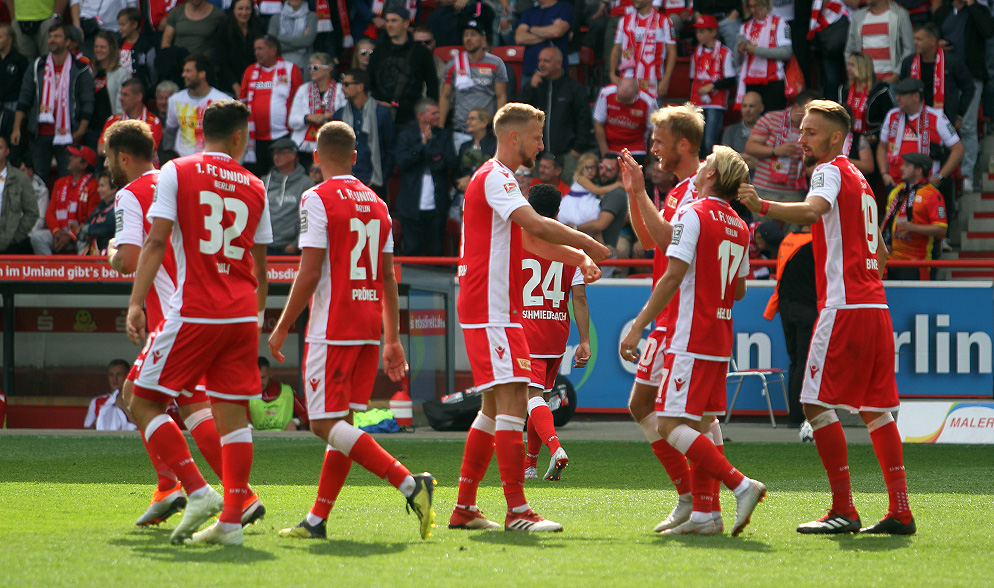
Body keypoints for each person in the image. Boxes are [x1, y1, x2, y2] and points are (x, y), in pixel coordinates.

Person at [738, 99, 916, 536]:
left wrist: (762, 205)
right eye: (800, 130)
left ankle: (843, 508)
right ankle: (900, 511)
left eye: (810, 132)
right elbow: (882, 251)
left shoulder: (829, 170)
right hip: (875, 306)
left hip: (845, 306)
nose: (800, 139)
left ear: (836, 138)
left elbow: (813, 210)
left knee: (814, 403)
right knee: (876, 410)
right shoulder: (861, 179)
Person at [268, 120, 436, 541]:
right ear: (355, 158)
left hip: (332, 326)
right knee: (341, 425)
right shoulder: (378, 204)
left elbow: (309, 272)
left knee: (322, 424)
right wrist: (392, 338)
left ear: (316, 158)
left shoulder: (316, 197)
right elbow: (388, 277)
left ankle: (410, 484)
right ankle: (317, 520)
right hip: (367, 327)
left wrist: (281, 326)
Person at [448, 102, 608, 533]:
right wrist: (586, 245)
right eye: (537, 137)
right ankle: (517, 510)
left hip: (498, 309)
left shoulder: (498, 179)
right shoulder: (497, 177)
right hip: (491, 309)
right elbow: (536, 227)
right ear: (514, 136)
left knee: (493, 407)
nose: (541, 145)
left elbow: (530, 242)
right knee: (515, 401)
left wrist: (578, 255)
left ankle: (465, 507)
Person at [125, 99, 272, 546]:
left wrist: (136, 303)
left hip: (195, 309)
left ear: (202, 131)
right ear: (240, 137)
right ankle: (231, 522)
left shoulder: (177, 170)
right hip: (242, 314)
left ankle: (197, 490)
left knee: (140, 400)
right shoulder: (255, 185)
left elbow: (155, 241)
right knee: (233, 419)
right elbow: (261, 267)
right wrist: (256, 318)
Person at [620, 145, 766, 536]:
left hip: (689, 334)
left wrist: (638, 325)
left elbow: (672, 275)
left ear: (712, 175)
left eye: (707, 163)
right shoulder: (739, 224)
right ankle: (705, 515)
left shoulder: (693, 212)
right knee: (700, 424)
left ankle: (740, 484)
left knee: (669, 423)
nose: (701, 167)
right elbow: (739, 290)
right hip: (720, 336)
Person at [621, 103, 706, 533]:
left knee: (685, 415)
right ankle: (696, 499)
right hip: (670, 314)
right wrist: (633, 192)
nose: (652, 148)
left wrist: (639, 193)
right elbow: (646, 240)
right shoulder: (677, 191)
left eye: (659, 141)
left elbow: (667, 240)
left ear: (683, 145)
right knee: (653, 407)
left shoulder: (698, 188)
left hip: (682, 314)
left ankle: (703, 499)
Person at [520, 182, 591, 481]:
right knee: (541, 398)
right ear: (558, 210)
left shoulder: (519, 240)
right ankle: (530, 465)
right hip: (556, 333)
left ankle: (555, 447)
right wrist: (584, 340)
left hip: (527, 330)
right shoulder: (572, 247)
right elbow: (579, 297)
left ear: (528, 207)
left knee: (531, 397)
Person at [12, 23, 95, 183]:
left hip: (68, 134)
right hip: (40, 134)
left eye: (57, 36)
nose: (52, 40)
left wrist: (80, 131)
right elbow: (24, 98)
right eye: (50, 36)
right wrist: (16, 128)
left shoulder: (81, 69)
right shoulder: (37, 66)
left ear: (68, 41)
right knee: (38, 180)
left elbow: (88, 102)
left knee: (67, 179)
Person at [932, 0, 994, 193]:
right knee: (942, 125)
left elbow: (988, 31)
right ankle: (943, 173)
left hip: (972, 75)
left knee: (967, 127)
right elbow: (930, 34)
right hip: (945, 75)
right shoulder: (943, 11)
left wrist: (972, 5)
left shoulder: (979, 10)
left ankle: (966, 175)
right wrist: (937, 43)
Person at [762, 225, 816, 425]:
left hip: (786, 308)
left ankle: (794, 416)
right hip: (809, 308)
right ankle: (803, 416)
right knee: (806, 363)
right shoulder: (816, 243)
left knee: (795, 363)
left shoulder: (788, 240)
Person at [877, 77, 963, 199]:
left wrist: (940, 176)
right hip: (896, 185)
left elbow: (958, 150)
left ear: (916, 96)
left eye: (902, 95)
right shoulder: (892, 115)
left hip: (925, 186)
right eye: (897, 94)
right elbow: (882, 147)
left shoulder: (937, 117)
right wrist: (884, 174)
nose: (897, 98)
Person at [394, 98, 457, 256]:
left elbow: (450, 162)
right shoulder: (407, 135)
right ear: (421, 116)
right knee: (412, 248)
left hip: (437, 204)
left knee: (436, 249)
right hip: (410, 204)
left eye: (438, 113)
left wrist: (432, 144)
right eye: (433, 113)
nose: (438, 116)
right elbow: (402, 162)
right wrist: (421, 145)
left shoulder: (443, 135)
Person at [520, 47, 595, 181]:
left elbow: (584, 121)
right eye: (540, 60)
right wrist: (530, 88)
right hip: (538, 156)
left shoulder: (574, 88)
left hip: (566, 157)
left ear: (559, 63)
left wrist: (576, 151)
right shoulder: (534, 87)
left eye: (546, 61)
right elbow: (519, 113)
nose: (541, 64)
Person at [744, 90, 820, 214]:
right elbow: (750, 147)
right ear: (796, 107)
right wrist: (775, 151)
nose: (812, 115)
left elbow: (812, 163)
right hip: (765, 190)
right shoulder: (771, 118)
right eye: (809, 110)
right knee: (765, 226)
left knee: (794, 227)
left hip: (794, 194)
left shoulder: (813, 129)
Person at [899, 24, 975, 146]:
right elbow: (901, 89)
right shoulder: (908, 63)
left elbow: (969, 88)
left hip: (944, 120)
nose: (915, 43)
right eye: (914, 39)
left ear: (933, 40)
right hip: (914, 120)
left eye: (919, 39)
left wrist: (959, 116)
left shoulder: (952, 62)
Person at [239, 35, 304, 176]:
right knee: (258, 177)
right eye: (255, 49)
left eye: (260, 48)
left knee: (282, 175)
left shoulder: (291, 69)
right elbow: (243, 101)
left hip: (283, 136)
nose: (256, 52)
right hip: (255, 140)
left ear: (273, 50)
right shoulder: (250, 71)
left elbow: (300, 100)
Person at [439, 19, 508, 146]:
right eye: (466, 35)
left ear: (483, 39)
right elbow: (445, 96)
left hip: (486, 131)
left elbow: (501, 96)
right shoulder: (454, 64)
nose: (468, 39)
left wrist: (498, 126)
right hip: (461, 130)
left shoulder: (496, 63)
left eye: (473, 35)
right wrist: (440, 127)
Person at [367, 7, 439, 127]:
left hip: (411, 118)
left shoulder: (421, 52)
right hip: (381, 116)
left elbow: (432, 85)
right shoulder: (379, 50)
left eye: (394, 20)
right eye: (387, 21)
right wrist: (378, 103)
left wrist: (430, 115)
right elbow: (370, 81)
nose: (389, 25)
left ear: (406, 24)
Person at [881, 152, 947, 280]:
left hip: (916, 263)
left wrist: (912, 227)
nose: (901, 168)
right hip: (888, 260)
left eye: (906, 165)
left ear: (918, 171)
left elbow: (942, 229)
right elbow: (886, 220)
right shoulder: (897, 191)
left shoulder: (933, 195)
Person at [332, 69, 395, 197]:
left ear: (360, 87)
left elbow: (391, 147)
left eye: (346, 84)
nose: (342, 88)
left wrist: (381, 178)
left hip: (374, 181)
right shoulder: (339, 115)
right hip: (347, 182)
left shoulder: (381, 112)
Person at [32, 145, 98, 255]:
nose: (70, 158)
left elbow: (90, 219)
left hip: (79, 235)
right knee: (37, 237)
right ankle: (48, 266)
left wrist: (71, 236)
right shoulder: (60, 183)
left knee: (85, 240)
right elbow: (50, 213)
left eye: (75, 156)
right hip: (60, 232)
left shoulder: (94, 186)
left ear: (84, 165)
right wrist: (57, 231)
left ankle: (80, 266)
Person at [162, 54, 230, 159]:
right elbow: (170, 133)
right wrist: (167, 157)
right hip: (183, 162)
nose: (183, 75)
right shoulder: (175, 100)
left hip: (211, 162)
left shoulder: (223, 101)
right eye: (184, 71)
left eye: (188, 71)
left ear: (202, 74)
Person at [575, 153, 629, 278]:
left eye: (609, 169)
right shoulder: (593, 186)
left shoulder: (615, 193)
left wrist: (573, 228)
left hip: (603, 255)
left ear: (619, 172)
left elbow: (600, 225)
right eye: (601, 167)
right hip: (588, 252)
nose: (603, 172)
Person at [690, 14, 737, 157]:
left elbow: (731, 80)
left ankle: (710, 167)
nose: (698, 35)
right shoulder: (696, 53)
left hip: (716, 102)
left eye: (702, 31)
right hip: (697, 101)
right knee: (696, 141)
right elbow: (692, 78)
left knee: (709, 141)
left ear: (713, 32)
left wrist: (712, 86)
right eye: (697, 31)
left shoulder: (725, 52)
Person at [609, 0, 676, 100]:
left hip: (654, 80)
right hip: (627, 79)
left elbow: (672, 52)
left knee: (653, 111)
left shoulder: (664, 20)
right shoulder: (624, 20)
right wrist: (612, 74)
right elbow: (616, 49)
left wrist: (666, 80)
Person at [289, 52, 346, 169]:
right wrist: (308, 117)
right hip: (305, 148)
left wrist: (331, 116)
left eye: (315, 68)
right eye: (310, 68)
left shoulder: (341, 90)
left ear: (328, 69)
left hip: (331, 145)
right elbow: (292, 121)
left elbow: (346, 116)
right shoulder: (303, 89)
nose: (311, 71)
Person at [734, 0, 792, 113]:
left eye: (756, 6)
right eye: (750, 7)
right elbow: (738, 61)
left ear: (765, 4)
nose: (753, 10)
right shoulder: (745, 27)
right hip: (750, 80)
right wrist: (739, 51)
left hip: (773, 80)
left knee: (773, 118)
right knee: (753, 119)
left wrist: (756, 50)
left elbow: (786, 53)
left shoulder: (779, 23)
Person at [263, 135, 314, 255]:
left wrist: (296, 243)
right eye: (274, 153)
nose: (276, 157)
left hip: (291, 249)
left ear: (293, 155)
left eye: (281, 153)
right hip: (265, 246)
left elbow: (310, 217)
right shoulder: (264, 182)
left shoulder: (306, 183)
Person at [844, 0, 913, 85]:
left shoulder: (900, 14)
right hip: (865, 82)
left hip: (891, 81)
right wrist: (854, 72)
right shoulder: (858, 17)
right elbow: (850, 50)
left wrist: (897, 73)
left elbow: (909, 48)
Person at [97, 79, 163, 157]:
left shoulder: (153, 122)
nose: (121, 98)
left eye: (125, 95)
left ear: (139, 97)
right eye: (121, 94)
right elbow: (101, 149)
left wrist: (116, 148)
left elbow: (147, 151)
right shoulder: (113, 120)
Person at [841, 52, 894, 148]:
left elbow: (889, 120)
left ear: (863, 67)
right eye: (848, 64)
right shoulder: (844, 90)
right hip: (849, 140)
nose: (848, 68)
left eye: (852, 65)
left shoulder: (879, 91)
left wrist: (876, 136)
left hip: (872, 142)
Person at [593, 78, 654, 161]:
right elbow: (598, 123)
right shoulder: (605, 93)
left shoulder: (649, 101)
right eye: (620, 99)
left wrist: (652, 160)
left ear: (637, 93)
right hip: (610, 147)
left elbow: (654, 130)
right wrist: (605, 155)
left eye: (628, 101)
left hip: (636, 148)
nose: (624, 104)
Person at [215, 0, 266, 98]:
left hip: (256, 81)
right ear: (233, 10)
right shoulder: (224, 28)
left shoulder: (258, 27)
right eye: (240, 9)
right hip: (230, 84)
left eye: (248, 9)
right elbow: (222, 61)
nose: (244, 12)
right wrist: (236, 86)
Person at [89, 31, 130, 148]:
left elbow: (122, 105)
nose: (98, 50)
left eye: (102, 47)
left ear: (111, 49)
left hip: (111, 131)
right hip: (91, 131)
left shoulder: (122, 73)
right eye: (96, 46)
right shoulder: (91, 72)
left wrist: (118, 129)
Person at [0, 135, 40, 254]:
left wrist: (15, 236)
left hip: (10, 243)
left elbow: (32, 212)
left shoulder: (20, 179)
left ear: (7, 151)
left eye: (0, 147)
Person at [516, 0, 574, 81]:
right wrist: (549, 33)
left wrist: (531, 29)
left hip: (555, 72)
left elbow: (557, 32)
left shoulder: (564, 8)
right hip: (529, 71)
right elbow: (519, 38)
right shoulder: (529, 12)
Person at [251, 356, 308, 431]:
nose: (260, 382)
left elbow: (307, 414)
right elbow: (240, 417)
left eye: (263, 377)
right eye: (256, 378)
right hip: (256, 438)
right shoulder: (247, 395)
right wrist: (247, 426)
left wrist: (295, 422)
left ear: (270, 373)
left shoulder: (288, 392)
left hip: (285, 438)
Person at [267, 0, 319, 78]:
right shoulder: (275, 18)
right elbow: (272, 45)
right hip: (280, 67)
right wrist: (300, 40)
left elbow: (307, 41)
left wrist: (280, 37)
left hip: (303, 66)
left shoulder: (312, 17)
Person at [0, 24, 29, 159]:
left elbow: (25, 87)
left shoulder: (20, 60)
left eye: (0, 37)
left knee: (14, 142)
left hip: (14, 106)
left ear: (10, 39)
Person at [161, 0, 226, 61]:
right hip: (178, 62)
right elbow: (166, 41)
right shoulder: (176, 12)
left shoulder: (218, 15)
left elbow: (225, 43)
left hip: (204, 63)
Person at [84, 359, 137, 430]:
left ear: (128, 376)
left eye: (119, 374)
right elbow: (86, 431)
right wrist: (101, 417)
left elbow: (143, 428)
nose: (114, 379)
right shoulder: (97, 401)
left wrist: (123, 406)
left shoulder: (136, 400)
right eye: (111, 375)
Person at [720, 90, 763, 175]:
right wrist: (740, 159)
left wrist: (759, 165)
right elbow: (722, 160)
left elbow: (778, 165)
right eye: (744, 106)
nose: (747, 110)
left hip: (762, 179)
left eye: (752, 106)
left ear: (761, 108)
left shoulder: (771, 131)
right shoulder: (730, 131)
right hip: (737, 179)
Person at [116, 7, 156, 94]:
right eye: (119, 25)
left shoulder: (146, 46)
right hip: (119, 89)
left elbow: (152, 69)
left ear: (134, 24)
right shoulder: (117, 44)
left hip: (139, 91)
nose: (120, 28)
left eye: (123, 24)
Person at [77, 171, 116, 254]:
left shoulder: (118, 207)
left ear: (114, 188)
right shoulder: (99, 208)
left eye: (102, 186)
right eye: (99, 186)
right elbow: (83, 228)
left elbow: (106, 227)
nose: (98, 190)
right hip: (94, 253)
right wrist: (86, 230)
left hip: (109, 254)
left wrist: (88, 229)